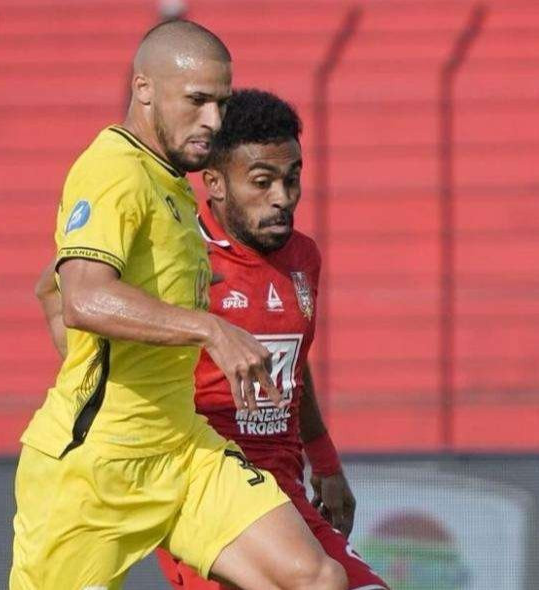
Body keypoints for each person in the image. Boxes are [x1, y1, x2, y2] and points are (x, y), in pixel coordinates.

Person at [12, 20, 347, 590]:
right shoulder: (112, 169)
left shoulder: (168, 179)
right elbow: (82, 295)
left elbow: (51, 286)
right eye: (197, 101)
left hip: (182, 449)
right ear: (144, 89)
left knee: (313, 579)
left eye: (220, 103)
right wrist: (211, 330)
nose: (213, 122)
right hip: (97, 468)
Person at [152, 89, 390, 590]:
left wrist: (325, 462)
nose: (282, 197)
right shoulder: (178, 259)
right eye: (262, 182)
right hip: (206, 494)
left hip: (284, 489)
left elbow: (292, 364)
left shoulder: (303, 257)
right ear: (214, 184)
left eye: (292, 178)